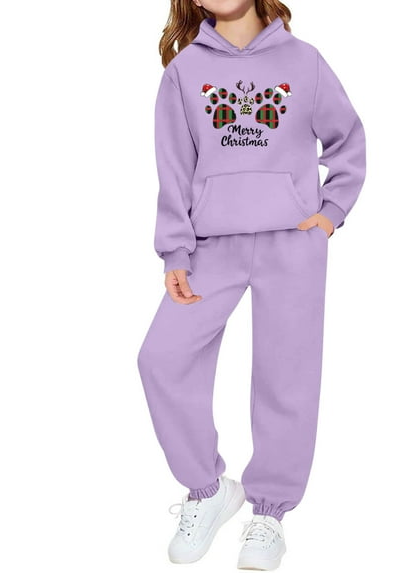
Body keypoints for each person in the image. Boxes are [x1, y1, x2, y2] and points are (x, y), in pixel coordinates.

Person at [137, 0, 366, 569]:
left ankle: (269, 515)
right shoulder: (185, 71)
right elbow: (173, 167)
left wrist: (331, 212)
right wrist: (175, 249)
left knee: (287, 377)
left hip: (292, 241)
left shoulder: (304, 62)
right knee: (162, 358)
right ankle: (208, 490)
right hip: (212, 244)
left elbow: (348, 140)